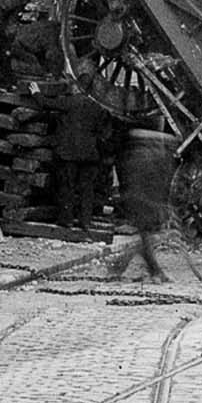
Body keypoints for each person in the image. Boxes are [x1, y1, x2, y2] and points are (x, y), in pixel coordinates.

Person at [108, 127, 175, 284]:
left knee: (146, 238)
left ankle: (118, 267)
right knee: (146, 237)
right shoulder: (151, 156)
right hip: (144, 202)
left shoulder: (142, 154)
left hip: (147, 202)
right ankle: (155, 271)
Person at [51, 78, 113, 233]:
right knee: (87, 189)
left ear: (77, 87)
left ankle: (67, 221)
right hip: (89, 155)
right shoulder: (98, 108)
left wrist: (36, 93)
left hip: (69, 154)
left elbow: (48, 104)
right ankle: (85, 221)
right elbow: (104, 132)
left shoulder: (70, 102)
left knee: (67, 186)